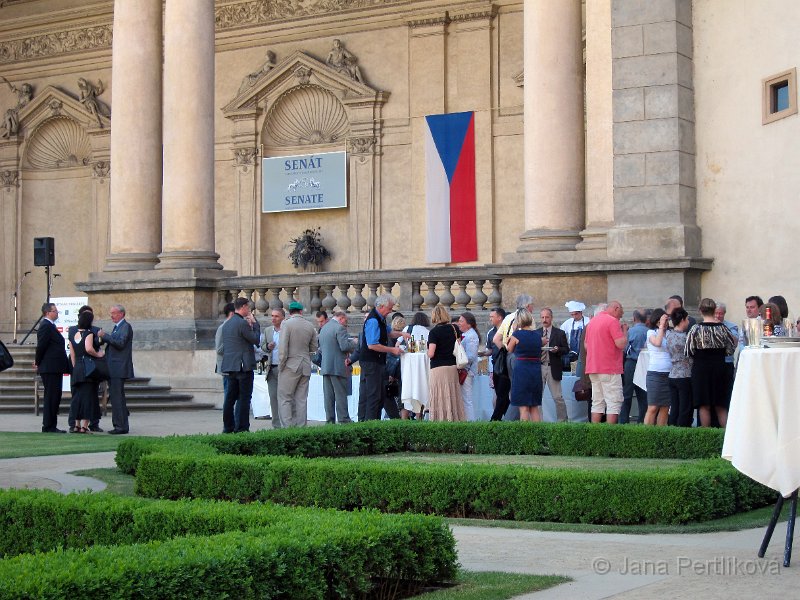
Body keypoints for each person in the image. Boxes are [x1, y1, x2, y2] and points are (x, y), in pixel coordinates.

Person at [685, 298, 737, 428]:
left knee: (704, 405)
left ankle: (706, 437)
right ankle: (726, 438)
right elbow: (731, 348)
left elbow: (688, 351)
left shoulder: (695, 329)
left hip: (701, 369)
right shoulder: (724, 328)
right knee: (721, 405)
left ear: (700, 311)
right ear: (714, 310)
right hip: (720, 367)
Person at [359, 294, 406, 420]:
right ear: (381, 306)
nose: (390, 311)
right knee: (374, 396)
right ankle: (370, 425)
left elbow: (389, 332)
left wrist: (402, 333)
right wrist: (392, 349)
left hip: (378, 361)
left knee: (380, 396)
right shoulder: (373, 320)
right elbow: (372, 345)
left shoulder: (380, 319)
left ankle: (375, 423)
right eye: (389, 308)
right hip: (371, 362)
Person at [584, 301, 629, 424]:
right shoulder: (612, 321)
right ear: (615, 308)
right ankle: (610, 436)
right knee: (613, 402)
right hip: (610, 368)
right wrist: (624, 331)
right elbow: (621, 344)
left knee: (597, 402)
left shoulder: (591, 322)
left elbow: (586, 346)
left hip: (593, 367)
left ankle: (595, 434)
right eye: (621, 311)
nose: (622, 314)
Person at [219, 298, 259, 433]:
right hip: (243, 366)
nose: (249, 310)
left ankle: (228, 427)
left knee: (229, 399)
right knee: (244, 398)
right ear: (243, 307)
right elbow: (255, 339)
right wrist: (255, 324)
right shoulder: (242, 323)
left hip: (230, 366)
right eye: (248, 308)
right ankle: (242, 427)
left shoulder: (227, 324)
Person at [277, 301, 318, 427]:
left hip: (290, 364)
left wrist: (281, 365)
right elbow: (314, 347)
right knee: (301, 399)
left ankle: (287, 429)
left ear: (290, 312)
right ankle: (301, 428)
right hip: (305, 364)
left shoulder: (286, 324)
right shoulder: (310, 325)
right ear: (301, 311)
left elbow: (283, 347)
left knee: (285, 398)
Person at [98, 304, 134, 435]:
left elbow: (120, 343)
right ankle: (120, 424)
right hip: (114, 368)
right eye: (111, 313)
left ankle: (120, 426)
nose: (111, 315)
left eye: (113, 313)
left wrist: (105, 336)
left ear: (121, 314)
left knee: (117, 398)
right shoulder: (118, 327)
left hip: (118, 368)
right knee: (117, 397)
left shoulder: (125, 326)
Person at [35, 302, 70, 433]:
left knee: (54, 396)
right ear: (48, 313)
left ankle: (51, 424)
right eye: (55, 311)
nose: (57, 313)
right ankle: (48, 425)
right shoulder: (46, 326)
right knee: (51, 396)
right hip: (50, 367)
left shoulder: (51, 326)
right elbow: (41, 346)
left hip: (55, 367)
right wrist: (37, 362)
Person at [67, 305, 103, 433]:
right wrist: (99, 354)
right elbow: (89, 349)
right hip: (87, 368)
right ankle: (84, 426)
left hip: (77, 367)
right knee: (88, 397)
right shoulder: (88, 333)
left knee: (77, 397)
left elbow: (72, 354)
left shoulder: (72, 334)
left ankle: (76, 424)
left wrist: (76, 366)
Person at [319, 310, 357, 424]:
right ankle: (344, 419)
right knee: (340, 395)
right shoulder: (339, 328)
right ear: (341, 318)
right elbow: (344, 346)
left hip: (326, 367)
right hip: (338, 367)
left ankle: (330, 420)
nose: (346, 323)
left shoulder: (324, 328)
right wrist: (354, 343)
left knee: (328, 397)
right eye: (346, 320)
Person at [426, 305, 464, 421]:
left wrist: (426, 351)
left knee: (439, 394)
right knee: (452, 394)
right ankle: (454, 418)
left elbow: (431, 353)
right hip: (452, 366)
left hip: (438, 367)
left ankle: (440, 419)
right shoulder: (454, 328)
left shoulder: (434, 332)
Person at [506, 308, 543, 422]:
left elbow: (509, 349)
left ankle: (525, 435)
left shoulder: (517, 334)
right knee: (534, 407)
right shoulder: (537, 335)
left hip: (522, 370)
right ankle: (538, 434)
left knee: (524, 407)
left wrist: (512, 333)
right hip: (536, 370)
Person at [537, 307, 569, 422]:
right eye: (542, 317)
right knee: (537, 397)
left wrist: (558, 349)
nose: (544, 319)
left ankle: (562, 422)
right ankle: (537, 422)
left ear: (551, 318)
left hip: (553, 367)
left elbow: (566, 349)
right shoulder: (536, 333)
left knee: (557, 397)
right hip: (539, 367)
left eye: (547, 317)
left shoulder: (559, 333)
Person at [665, 307, 693, 427]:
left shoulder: (669, 335)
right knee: (685, 408)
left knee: (675, 407)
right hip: (685, 375)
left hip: (673, 374)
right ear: (682, 320)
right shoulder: (686, 338)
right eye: (686, 319)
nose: (688, 322)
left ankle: (672, 431)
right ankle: (682, 432)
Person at [620, 309, 648, 424]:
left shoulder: (631, 331)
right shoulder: (650, 332)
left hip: (631, 363)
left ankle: (623, 422)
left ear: (634, 318)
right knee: (643, 395)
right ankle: (642, 422)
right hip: (645, 363)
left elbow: (625, 349)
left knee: (626, 394)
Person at [643, 308, 671, 426]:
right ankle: (647, 434)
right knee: (653, 406)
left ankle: (661, 433)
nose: (665, 323)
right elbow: (658, 343)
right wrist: (661, 327)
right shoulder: (651, 333)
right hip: (655, 373)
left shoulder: (669, 333)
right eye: (662, 321)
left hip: (669, 373)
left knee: (665, 407)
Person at [260, 308, 285, 428]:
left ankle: (286, 423)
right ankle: (276, 425)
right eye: (272, 316)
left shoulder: (286, 331)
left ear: (283, 318)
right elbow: (263, 346)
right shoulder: (268, 331)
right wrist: (268, 347)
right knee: (273, 398)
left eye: (276, 316)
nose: (273, 318)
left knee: (285, 398)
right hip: (271, 368)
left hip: (284, 368)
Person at [486, 307, 511, 421]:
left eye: (492, 316)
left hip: (506, 365)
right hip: (495, 365)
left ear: (500, 317)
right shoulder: (490, 333)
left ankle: (495, 419)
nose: (490, 318)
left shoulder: (508, 331)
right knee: (501, 394)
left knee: (502, 394)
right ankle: (508, 417)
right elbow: (490, 350)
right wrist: (482, 353)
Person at [457, 312, 480, 421]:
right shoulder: (467, 335)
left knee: (467, 399)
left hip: (467, 371)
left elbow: (470, 357)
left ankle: (470, 422)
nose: (459, 323)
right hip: (464, 370)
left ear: (469, 324)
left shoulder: (471, 336)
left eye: (461, 321)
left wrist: (459, 362)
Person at [215, 302, 235, 404]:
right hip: (226, 368)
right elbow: (219, 349)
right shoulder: (222, 328)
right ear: (232, 314)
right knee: (229, 396)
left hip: (234, 368)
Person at [560, 300, 590, 368]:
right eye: (572, 314)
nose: (574, 316)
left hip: (586, 352)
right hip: (572, 354)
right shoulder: (568, 322)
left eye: (576, 314)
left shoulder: (588, 321)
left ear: (581, 312)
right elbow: (560, 333)